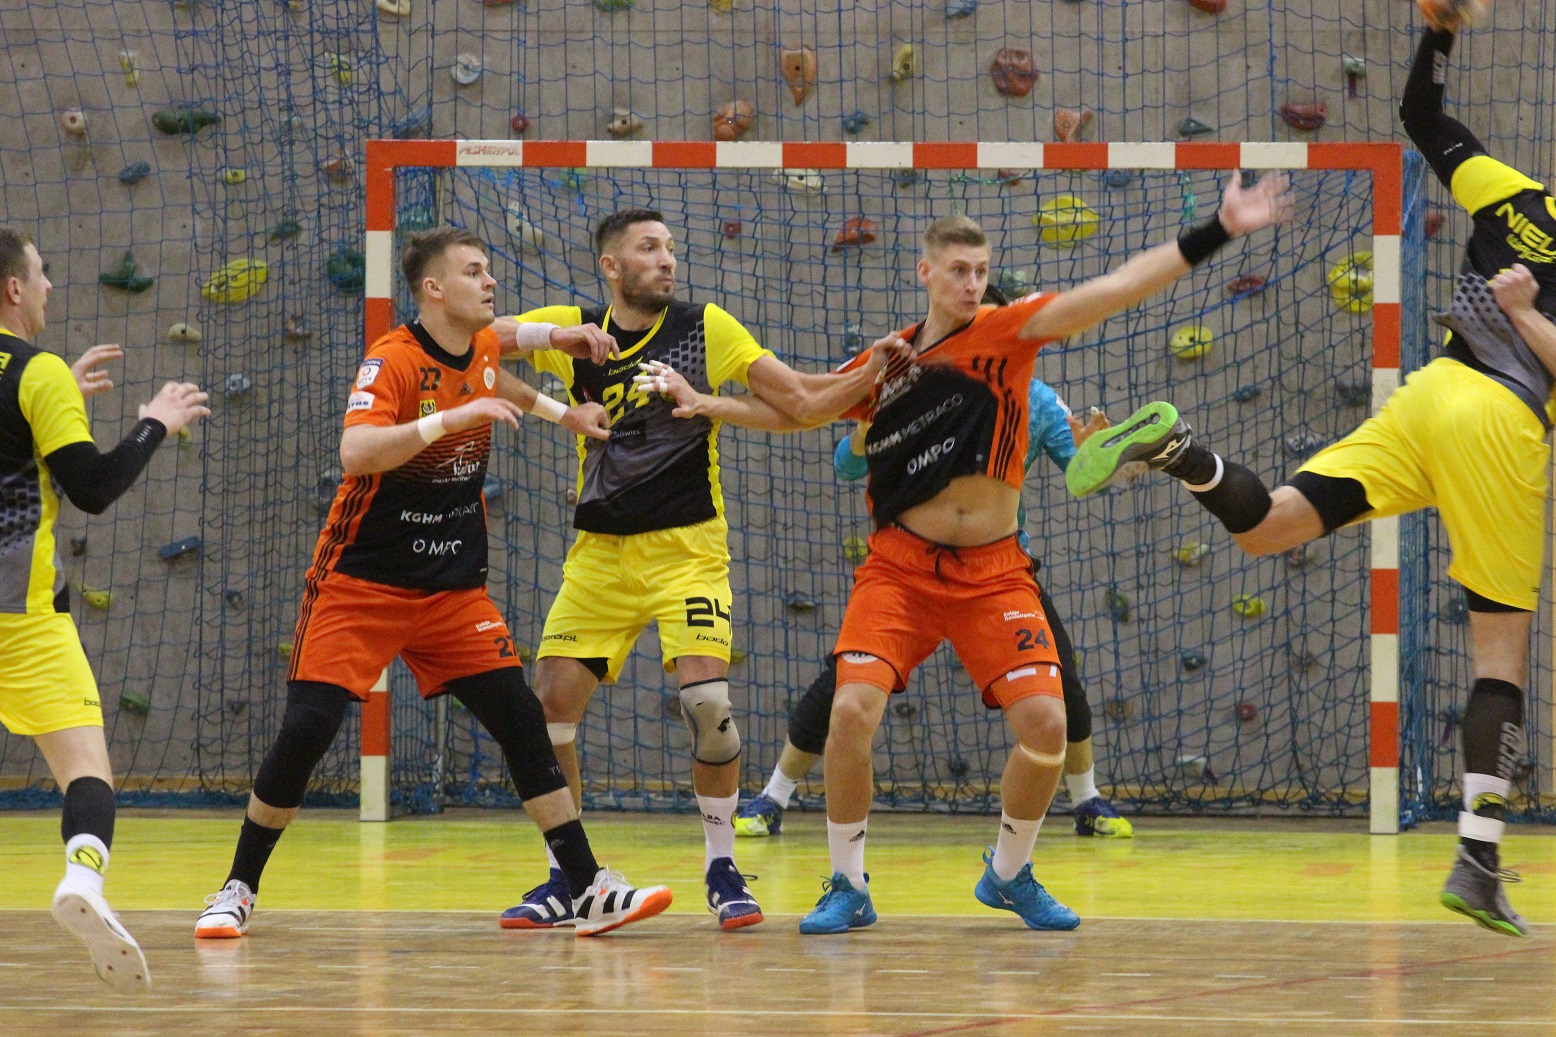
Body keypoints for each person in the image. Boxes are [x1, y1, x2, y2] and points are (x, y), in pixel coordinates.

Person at [639, 176, 1289, 935]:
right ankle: (848, 883)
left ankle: (1009, 874)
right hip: (899, 569)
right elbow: (805, 408)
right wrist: (705, 402)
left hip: (994, 573)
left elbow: (1114, 289)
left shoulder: (1008, 333)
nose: (972, 283)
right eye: (958, 270)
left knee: (1046, 724)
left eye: (981, 271)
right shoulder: (890, 359)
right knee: (849, 710)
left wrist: (1219, 228)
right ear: (925, 272)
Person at [1064, 21, 1550, 939]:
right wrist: (1526, 318)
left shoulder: (1517, 195)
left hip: (1431, 394)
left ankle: (1181, 451)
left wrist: (1438, 32)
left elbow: (1420, 115)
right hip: (1501, 418)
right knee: (1500, 652)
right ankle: (1479, 860)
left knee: (1272, 524)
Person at [193, 227, 670, 940]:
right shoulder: (391, 360)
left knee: (522, 720)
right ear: (434, 289)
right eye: (474, 271)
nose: (490, 281)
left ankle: (588, 887)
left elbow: (499, 360)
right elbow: (357, 451)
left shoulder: (476, 345)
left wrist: (561, 405)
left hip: (450, 588)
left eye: (489, 270)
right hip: (362, 583)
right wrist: (452, 418)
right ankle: (237, 887)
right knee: (307, 729)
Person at [491, 208, 888, 931]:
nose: (667, 259)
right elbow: (473, 347)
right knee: (549, 709)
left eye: (671, 247)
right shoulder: (575, 330)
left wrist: (873, 371)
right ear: (611, 266)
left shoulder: (706, 328)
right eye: (649, 248)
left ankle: (722, 864)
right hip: (599, 556)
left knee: (708, 706)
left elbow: (800, 401)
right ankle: (568, 877)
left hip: (687, 550)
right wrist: (553, 385)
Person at [735, 303, 1132, 841]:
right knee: (843, 691)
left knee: (1058, 685)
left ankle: (1086, 800)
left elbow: (1085, 475)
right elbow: (846, 465)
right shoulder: (911, 387)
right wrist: (864, 435)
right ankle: (774, 795)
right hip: (907, 570)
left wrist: (1103, 458)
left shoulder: (1037, 400)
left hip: (996, 572)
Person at [1, 225, 210, 990]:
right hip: (22, 618)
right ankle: (83, 877)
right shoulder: (36, 373)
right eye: (41, 273)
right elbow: (91, 488)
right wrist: (157, 421)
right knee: (86, 769)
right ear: (13, 288)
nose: (50, 285)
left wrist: (53, 397)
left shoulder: (42, 378)